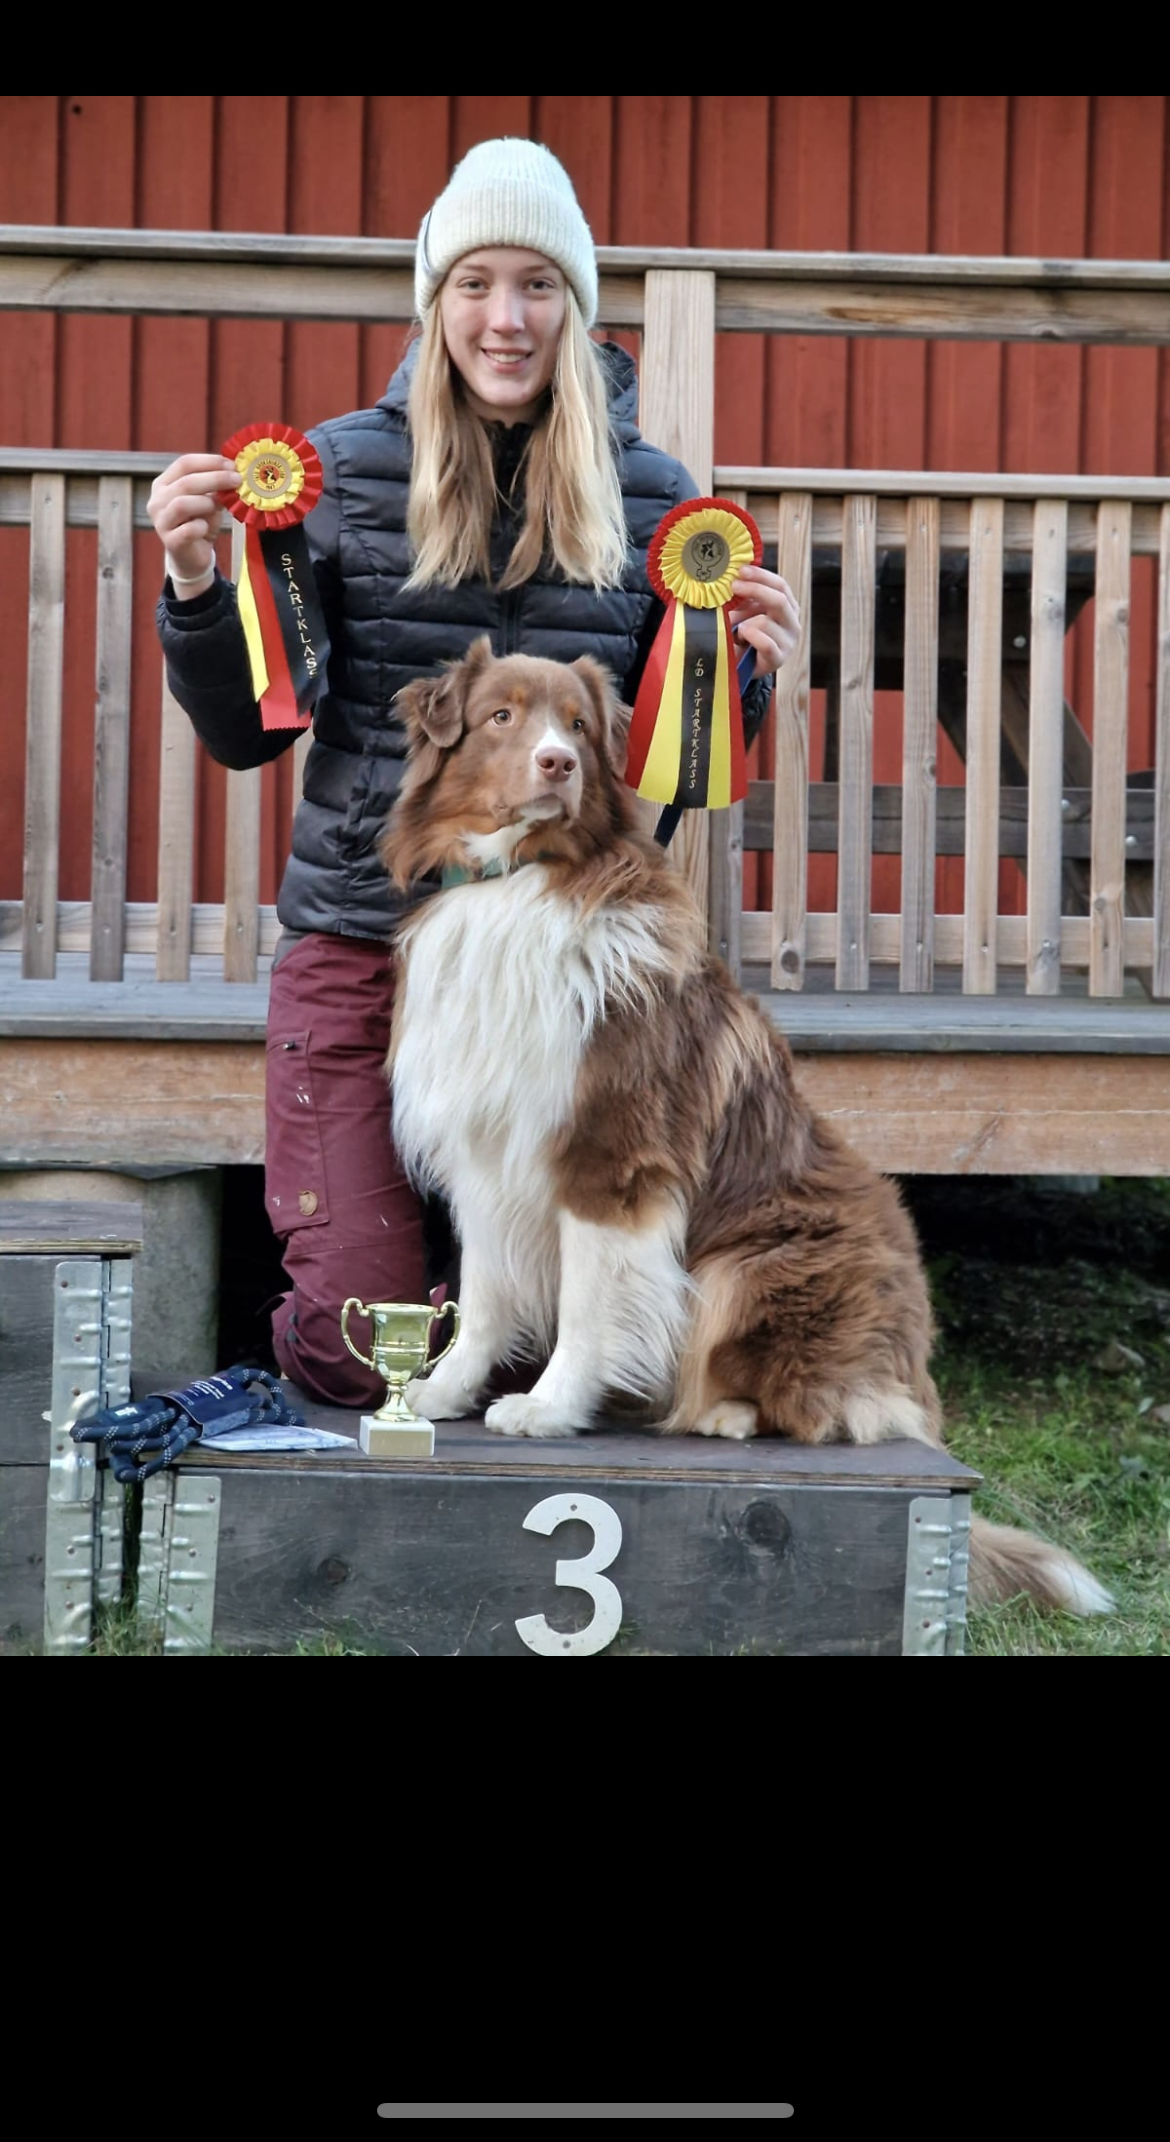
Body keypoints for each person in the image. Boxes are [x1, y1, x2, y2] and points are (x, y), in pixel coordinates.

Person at [148, 138, 802, 1407]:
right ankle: (378, 1321)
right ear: (434, 302)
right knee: (358, 1349)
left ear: (577, 306)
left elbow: (661, 771)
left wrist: (754, 674)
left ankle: (493, 1326)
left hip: (555, 962)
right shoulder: (334, 477)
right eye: (475, 284)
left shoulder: (658, 503)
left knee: (604, 1367)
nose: (507, 320)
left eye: (540, 286)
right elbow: (248, 735)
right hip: (367, 941)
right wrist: (191, 592)